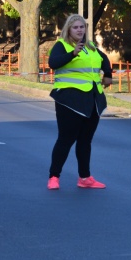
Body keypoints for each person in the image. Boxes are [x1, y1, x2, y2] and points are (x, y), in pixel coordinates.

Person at [47, 14, 113, 190]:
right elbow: (53, 63)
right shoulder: (62, 45)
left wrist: (108, 74)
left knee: (85, 141)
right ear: (68, 29)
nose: (79, 30)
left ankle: (85, 177)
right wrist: (72, 54)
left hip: (92, 100)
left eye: (82, 27)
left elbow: (104, 59)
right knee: (66, 139)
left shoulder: (90, 46)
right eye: (75, 27)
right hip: (69, 100)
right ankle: (54, 177)